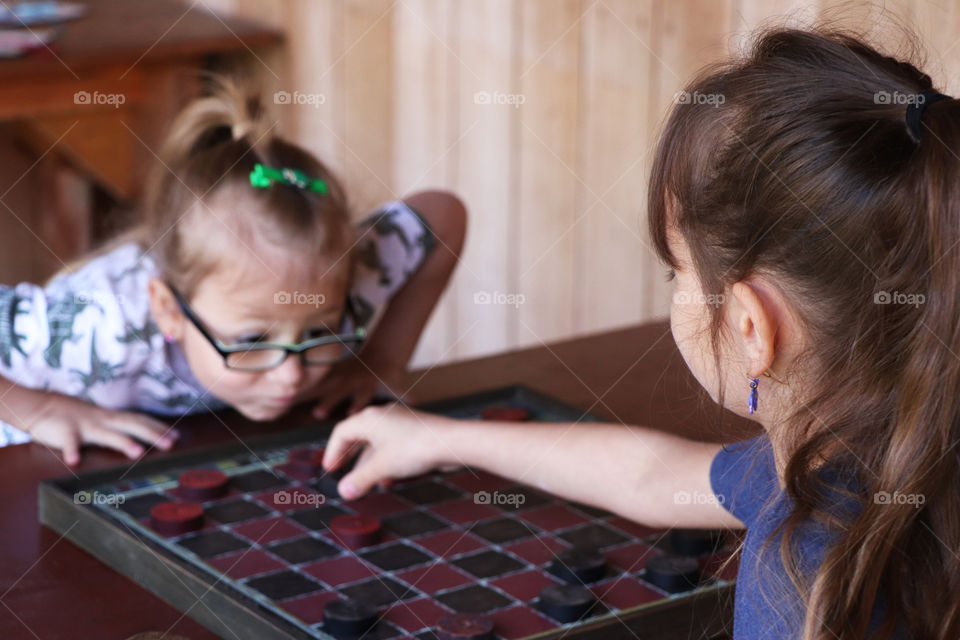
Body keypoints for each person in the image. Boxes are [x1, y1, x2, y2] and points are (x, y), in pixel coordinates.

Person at [322, 27, 959, 640]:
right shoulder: (875, 453)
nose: (672, 291)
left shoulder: (810, 576)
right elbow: (655, 477)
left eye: (674, 271)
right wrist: (435, 436)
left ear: (749, 327)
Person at [0, 78, 466, 466]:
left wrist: (382, 360)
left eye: (319, 331)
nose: (290, 376)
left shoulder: (355, 270)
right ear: (167, 309)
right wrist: (38, 408)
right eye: (251, 342)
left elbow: (443, 216)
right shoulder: (96, 323)